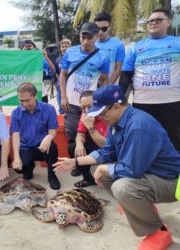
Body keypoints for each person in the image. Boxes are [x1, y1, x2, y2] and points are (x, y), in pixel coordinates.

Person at [54, 85, 180, 250]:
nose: (100, 117)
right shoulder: (117, 122)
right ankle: (142, 208)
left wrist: (104, 169)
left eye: (102, 113)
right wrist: (75, 162)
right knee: (98, 171)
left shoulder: (138, 126)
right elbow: (106, 152)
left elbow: (132, 170)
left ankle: (158, 231)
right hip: (148, 173)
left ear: (116, 106)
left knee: (122, 188)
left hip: (172, 181)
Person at [119, 8, 180, 151]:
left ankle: (174, 172)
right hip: (143, 103)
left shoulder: (178, 42)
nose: (153, 23)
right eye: (150, 21)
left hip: (172, 102)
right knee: (144, 139)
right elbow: (126, 76)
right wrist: (120, 100)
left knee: (173, 139)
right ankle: (149, 170)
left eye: (158, 20)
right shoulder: (135, 47)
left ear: (169, 22)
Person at [60, 22, 110, 144]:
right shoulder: (70, 52)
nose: (86, 41)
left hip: (90, 104)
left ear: (97, 37)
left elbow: (104, 80)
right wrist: (63, 96)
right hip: (71, 103)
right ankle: (76, 158)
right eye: (83, 37)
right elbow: (63, 75)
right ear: (80, 37)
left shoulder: (103, 56)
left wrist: (100, 101)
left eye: (90, 38)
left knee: (90, 132)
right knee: (72, 132)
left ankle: (89, 160)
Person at [11, 82, 60, 190]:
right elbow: (15, 135)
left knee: (53, 148)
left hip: (43, 146)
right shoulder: (16, 113)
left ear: (35, 96)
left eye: (27, 100)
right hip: (26, 147)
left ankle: (52, 176)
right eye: (21, 100)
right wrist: (16, 158)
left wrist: (49, 137)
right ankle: (29, 169)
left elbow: (53, 131)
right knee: (19, 168)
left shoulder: (49, 109)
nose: (24, 103)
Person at [68, 90, 108, 186]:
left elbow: (105, 145)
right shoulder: (85, 115)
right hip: (93, 143)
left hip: (107, 148)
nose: (86, 111)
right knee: (73, 147)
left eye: (90, 107)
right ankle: (87, 178)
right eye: (83, 108)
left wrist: (91, 127)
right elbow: (80, 134)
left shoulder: (107, 117)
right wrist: (79, 144)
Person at [94, 12, 125, 85]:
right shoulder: (91, 43)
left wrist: (108, 86)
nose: (100, 31)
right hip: (92, 87)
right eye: (98, 29)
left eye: (104, 29)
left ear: (109, 27)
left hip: (110, 86)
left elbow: (118, 68)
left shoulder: (118, 44)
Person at [54, 38, 71, 114]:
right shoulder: (58, 60)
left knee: (71, 109)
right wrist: (61, 83)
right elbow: (57, 73)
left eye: (66, 46)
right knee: (61, 109)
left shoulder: (74, 59)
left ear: (70, 47)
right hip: (60, 89)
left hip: (71, 89)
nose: (64, 48)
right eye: (62, 46)